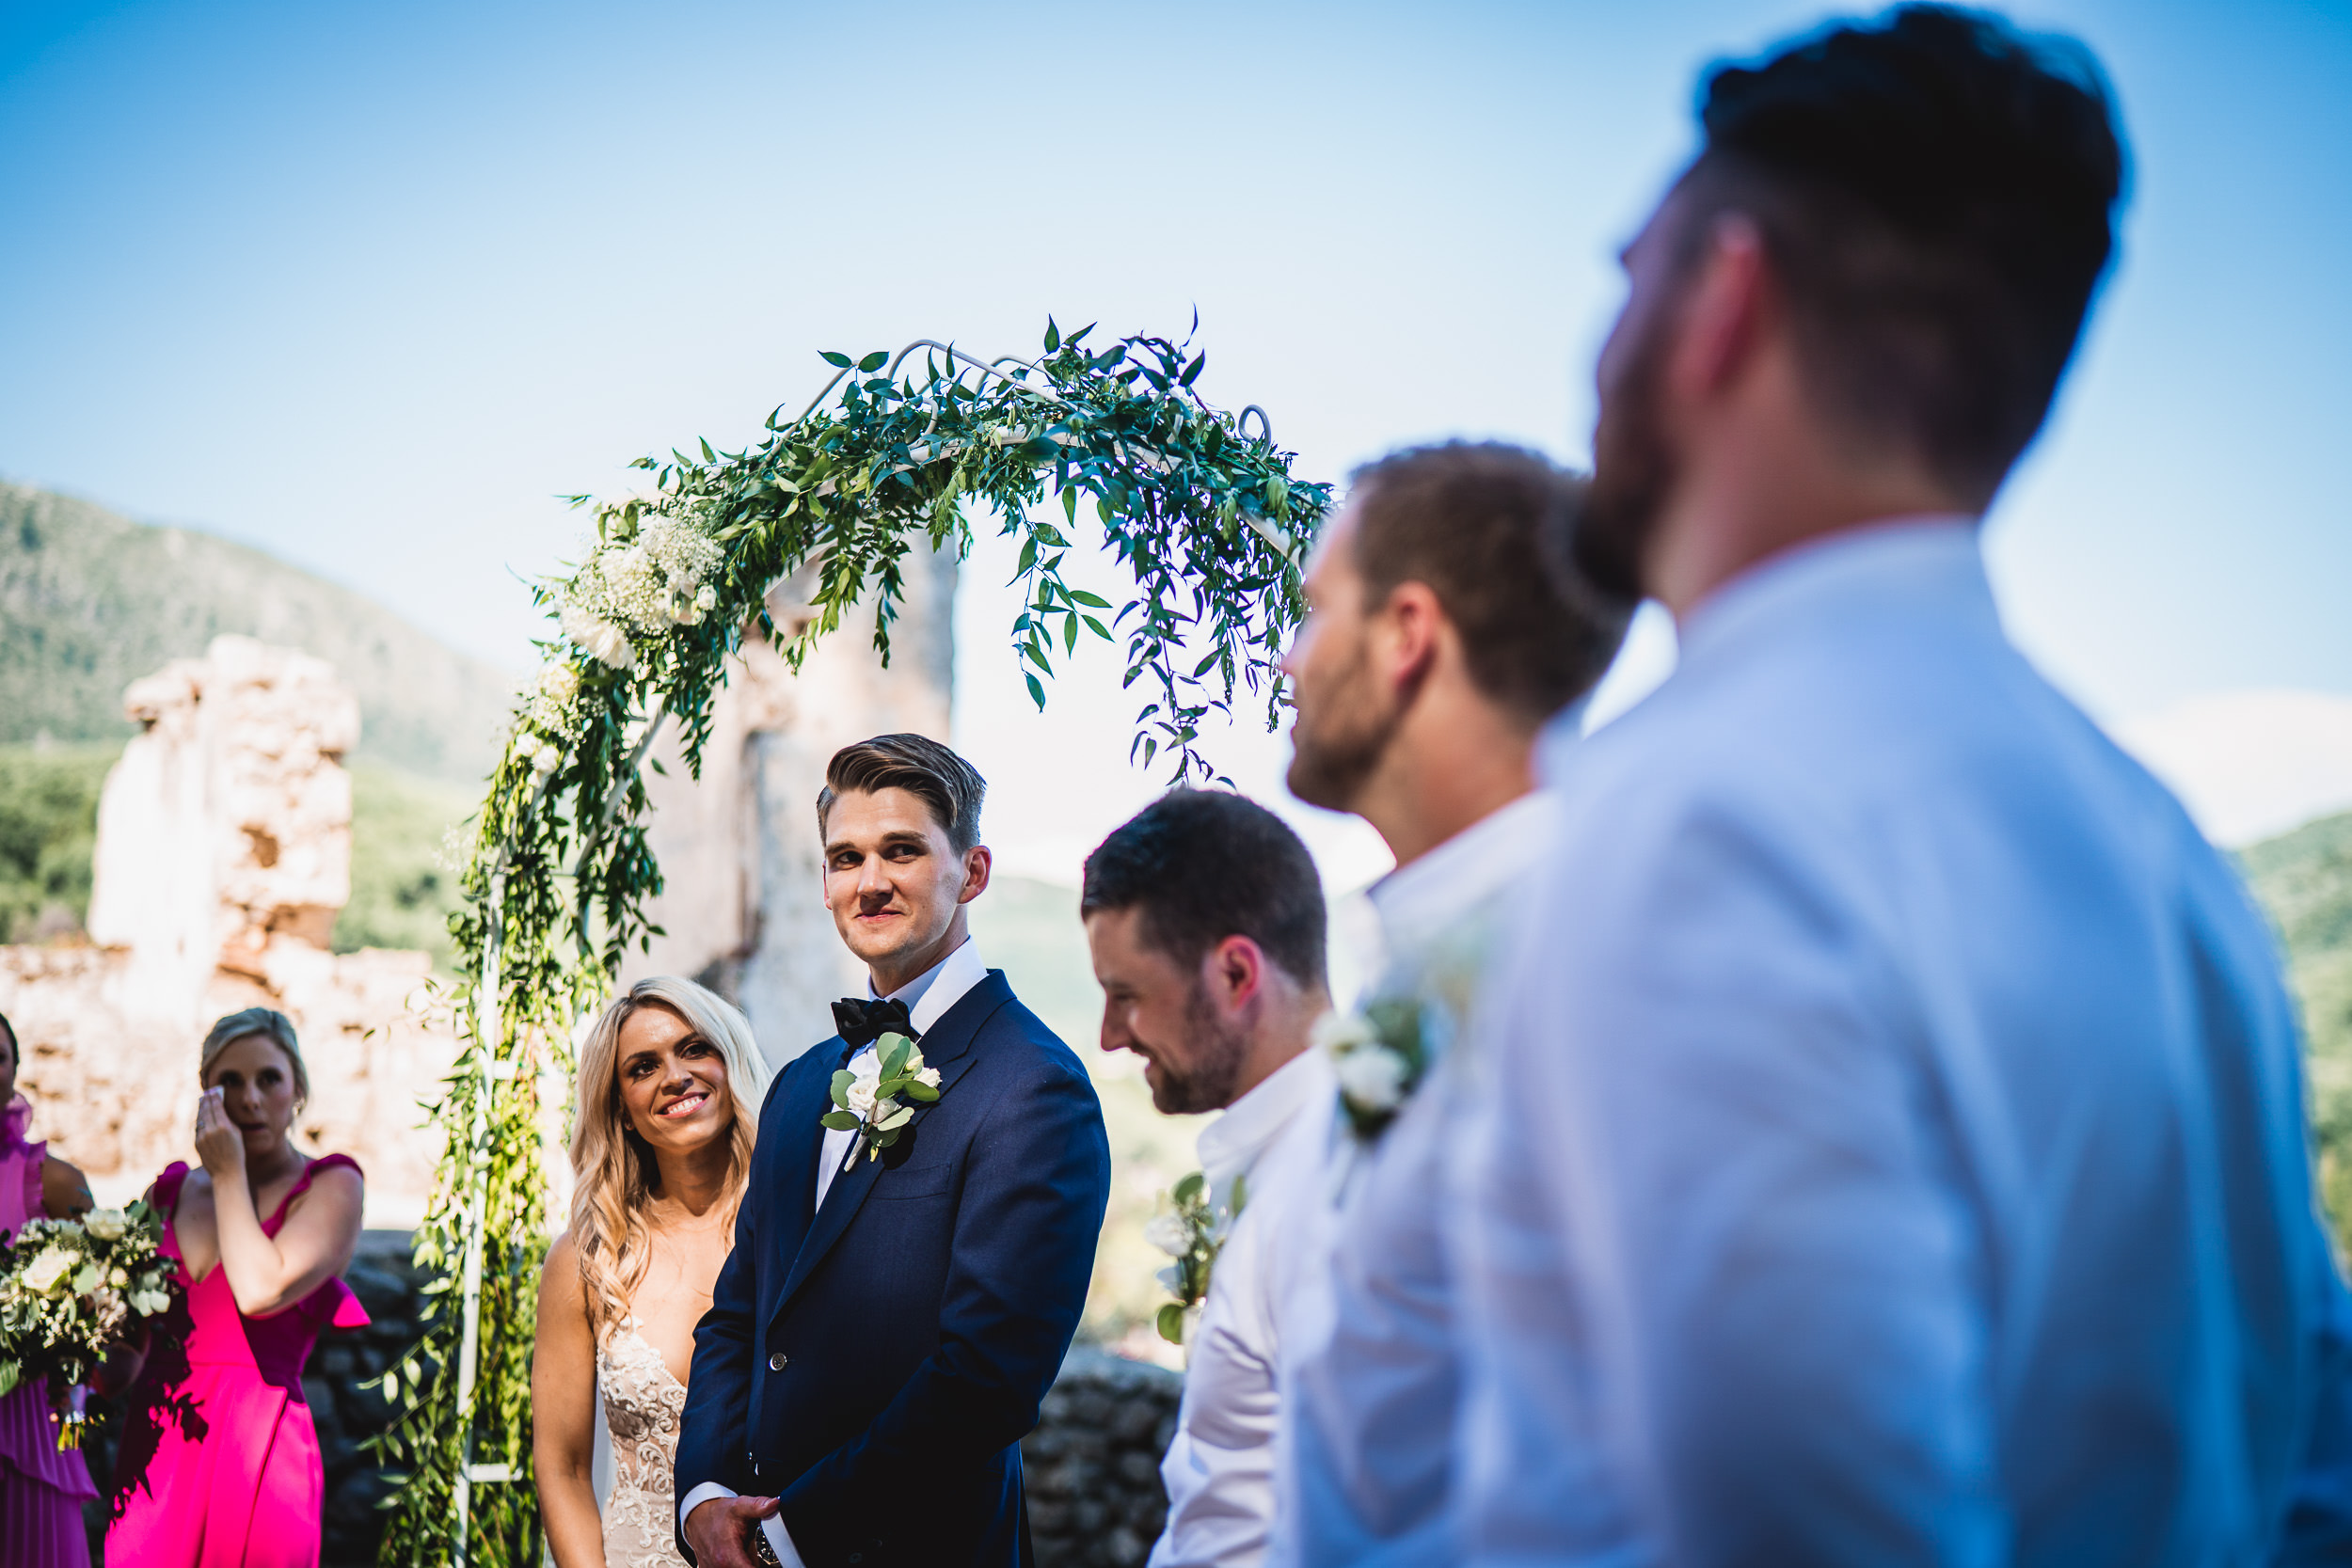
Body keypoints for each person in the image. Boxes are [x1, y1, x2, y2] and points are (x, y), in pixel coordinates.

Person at [1454, 7, 2352, 1564]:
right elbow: (2311, 1458)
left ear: (1723, 303)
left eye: (1627, 278)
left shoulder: (1704, 820)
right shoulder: (2168, 854)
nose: (1596, 349)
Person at [1269, 442, 1629, 1567]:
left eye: (1316, 609)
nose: (1287, 658)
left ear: (1405, 633)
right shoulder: (1428, 952)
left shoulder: (1591, 959)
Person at [675, 733, 1112, 1568]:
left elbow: (988, 1376)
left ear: (972, 872)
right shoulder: (801, 1085)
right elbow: (740, 1316)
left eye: (902, 850)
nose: (868, 881)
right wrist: (703, 1496)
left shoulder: (1034, 1088)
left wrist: (789, 1535)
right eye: (845, 858)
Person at [1080, 789, 1334, 1568]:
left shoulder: (1332, 1193)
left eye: (1127, 995)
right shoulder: (1274, 1164)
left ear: (1234, 971)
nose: (1110, 1034)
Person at [107, 1006, 370, 1568]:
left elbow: (257, 1290)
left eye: (269, 1078)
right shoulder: (171, 1191)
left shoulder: (331, 1186)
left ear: (297, 1088)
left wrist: (227, 1173)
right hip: (158, 1453)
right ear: (207, 1093)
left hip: (261, 1454)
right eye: (230, 1081)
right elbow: (128, 1348)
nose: (250, 1098)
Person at [535, 976, 771, 1568]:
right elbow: (562, 1469)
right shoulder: (588, 1260)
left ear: (731, 1060)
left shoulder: (798, 1231)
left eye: (695, 1049)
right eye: (643, 1067)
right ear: (622, 1111)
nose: (674, 1075)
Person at [0, 1009, 99, 1567]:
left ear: (15, 1069)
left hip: (29, 1428)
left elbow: (104, 1302)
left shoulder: (55, 1181)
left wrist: (77, 1408)